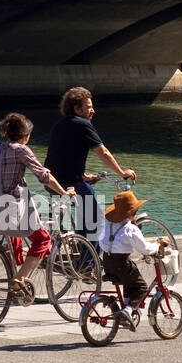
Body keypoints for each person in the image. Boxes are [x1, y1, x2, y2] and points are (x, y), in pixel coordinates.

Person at [0, 112, 76, 305]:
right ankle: (17, 282)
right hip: (11, 208)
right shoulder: (22, 150)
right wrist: (64, 193)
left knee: (14, 237)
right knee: (43, 240)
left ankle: (16, 278)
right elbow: (44, 176)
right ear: (26, 135)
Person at [45, 87, 136, 247]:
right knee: (96, 222)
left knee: (76, 222)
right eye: (88, 107)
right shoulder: (83, 124)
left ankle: (68, 254)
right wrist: (122, 173)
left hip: (53, 182)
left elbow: (62, 156)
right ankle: (88, 267)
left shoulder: (58, 125)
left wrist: (83, 175)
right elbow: (103, 152)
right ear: (77, 109)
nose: (93, 110)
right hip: (70, 183)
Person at [97, 190, 171, 330]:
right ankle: (128, 310)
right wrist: (158, 244)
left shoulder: (109, 226)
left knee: (129, 283)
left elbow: (101, 242)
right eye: (135, 210)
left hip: (107, 261)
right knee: (141, 287)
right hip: (122, 263)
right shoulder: (130, 229)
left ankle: (124, 307)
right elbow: (145, 249)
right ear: (130, 213)